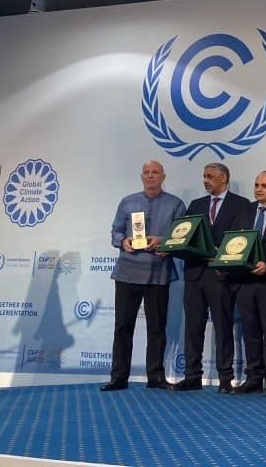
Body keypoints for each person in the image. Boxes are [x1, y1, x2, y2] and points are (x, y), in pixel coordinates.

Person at [101, 160, 186, 391]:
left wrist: (163, 242)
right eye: (146, 172)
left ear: (163, 177)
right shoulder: (127, 202)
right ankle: (119, 377)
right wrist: (123, 241)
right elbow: (116, 231)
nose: (150, 176)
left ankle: (156, 376)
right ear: (141, 176)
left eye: (155, 172)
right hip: (127, 272)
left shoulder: (176, 204)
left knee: (157, 328)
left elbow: (182, 237)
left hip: (158, 273)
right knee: (123, 327)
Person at [170, 163, 250, 393]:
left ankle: (225, 378)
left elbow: (242, 238)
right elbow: (185, 235)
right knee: (193, 327)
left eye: (210, 176)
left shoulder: (241, 204)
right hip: (195, 274)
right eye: (204, 176)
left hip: (220, 274)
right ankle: (192, 376)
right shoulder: (196, 205)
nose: (205, 180)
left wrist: (222, 253)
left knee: (223, 327)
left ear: (223, 178)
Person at [231, 171, 266, 395]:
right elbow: (235, 242)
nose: (258, 189)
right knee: (250, 330)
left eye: (264, 185)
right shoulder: (245, 210)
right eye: (256, 185)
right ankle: (253, 376)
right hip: (245, 280)